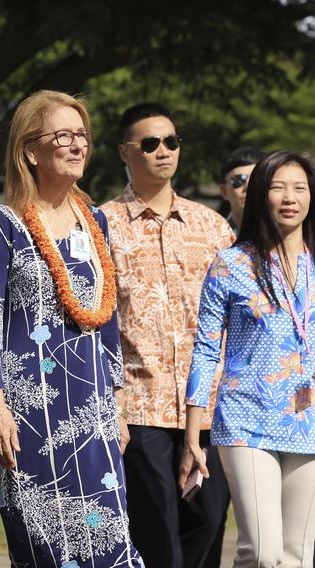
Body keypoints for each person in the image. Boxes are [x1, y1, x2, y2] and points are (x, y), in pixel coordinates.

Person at [0, 89, 141, 567]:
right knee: (47, 546)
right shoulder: (3, 224)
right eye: (63, 135)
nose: (77, 145)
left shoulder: (95, 223)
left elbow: (108, 319)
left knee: (110, 542)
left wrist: (117, 403)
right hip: (30, 413)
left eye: (82, 135)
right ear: (31, 150)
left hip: (92, 410)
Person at [100, 102, 233, 568]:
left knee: (210, 522)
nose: (164, 151)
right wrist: (110, 406)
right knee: (157, 534)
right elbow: (96, 324)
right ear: (124, 152)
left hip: (212, 406)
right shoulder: (101, 225)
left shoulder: (213, 227)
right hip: (139, 405)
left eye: (171, 142)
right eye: (150, 143)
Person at [182, 150, 315, 567]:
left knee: (298, 555)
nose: (289, 197)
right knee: (262, 551)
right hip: (245, 420)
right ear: (259, 195)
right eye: (278, 188)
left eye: (300, 188)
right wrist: (192, 431)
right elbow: (205, 348)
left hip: (308, 419)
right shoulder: (230, 264)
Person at [219, 147, 265, 233]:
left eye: (257, 178)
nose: (248, 186)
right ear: (224, 191)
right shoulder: (212, 237)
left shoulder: (290, 234)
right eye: (238, 180)